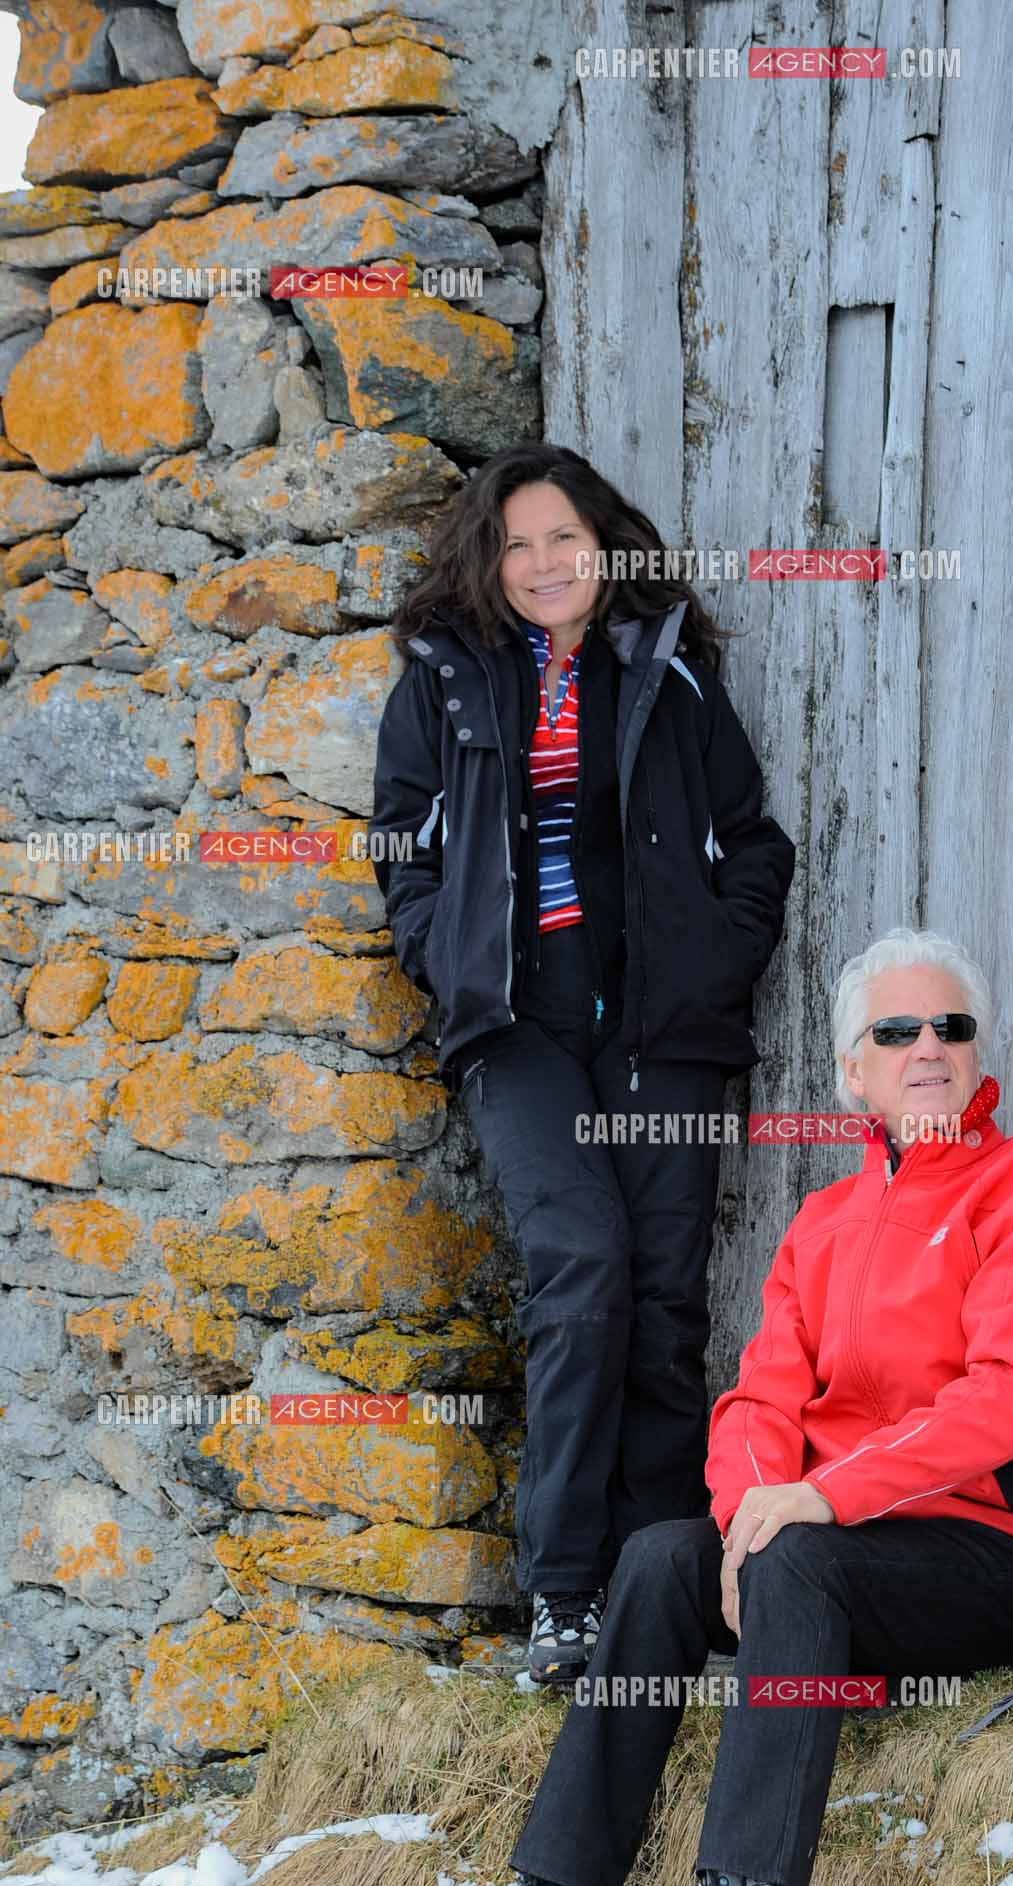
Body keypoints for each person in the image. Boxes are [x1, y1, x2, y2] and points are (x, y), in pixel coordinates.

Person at [475, 927, 1013, 1886]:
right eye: (898, 1030)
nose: (929, 1048)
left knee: (799, 1549)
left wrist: (822, 1499)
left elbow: (1008, 1401)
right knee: (660, 1556)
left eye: (952, 1028)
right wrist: (745, 1518)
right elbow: (759, 1403)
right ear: (851, 1072)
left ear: (977, 1056)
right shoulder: (822, 1227)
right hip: (833, 1559)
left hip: (998, 1551)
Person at [370, 446, 795, 1686]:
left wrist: (718, 957)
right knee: (582, 1268)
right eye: (517, 545)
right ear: (485, 564)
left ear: (603, 544)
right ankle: (561, 1592)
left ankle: (646, 1590)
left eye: (564, 537)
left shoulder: (667, 669)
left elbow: (753, 838)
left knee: (663, 1302)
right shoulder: (444, 683)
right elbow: (405, 848)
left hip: (662, 1027)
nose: (545, 563)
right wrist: (441, 956)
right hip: (519, 1027)